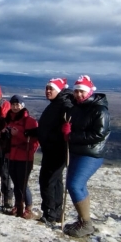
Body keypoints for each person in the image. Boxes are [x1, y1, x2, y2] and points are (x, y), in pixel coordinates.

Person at [62, 75, 110, 237]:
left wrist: (71, 136)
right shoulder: (77, 107)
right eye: (76, 91)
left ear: (89, 91)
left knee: (75, 185)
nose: (78, 95)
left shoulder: (99, 110)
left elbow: (99, 134)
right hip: (78, 151)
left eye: (82, 91)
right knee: (77, 185)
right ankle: (83, 220)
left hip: (91, 153)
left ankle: (86, 223)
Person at [37, 78, 73, 224]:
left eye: (51, 89)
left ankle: (50, 214)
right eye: (47, 88)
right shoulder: (57, 103)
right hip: (51, 148)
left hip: (57, 149)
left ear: (59, 90)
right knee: (55, 181)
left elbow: (70, 121)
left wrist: (68, 129)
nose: (48, 91)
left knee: (47, 181)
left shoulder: (65, 104)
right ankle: (56, 212)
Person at [4, 96, 40, 219]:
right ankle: (18, 205)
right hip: (11, 155)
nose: (15, 107)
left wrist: (17, 134)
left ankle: (28, 208)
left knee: (22, 184)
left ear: (22, 105)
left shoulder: (30, 121)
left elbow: (34, 141)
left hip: (24, 157)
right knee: (16, 182)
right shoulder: (9, 120)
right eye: (13, 104)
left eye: (17, 104)